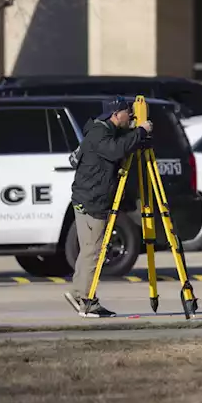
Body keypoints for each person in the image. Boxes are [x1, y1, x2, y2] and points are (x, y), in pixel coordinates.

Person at [64, 96, 153, 318]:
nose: (131, 117)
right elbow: (115, 150)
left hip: (86, 198)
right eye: (127, 113)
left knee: (88, 250)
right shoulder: (100, 135)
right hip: (93, 201)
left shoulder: (101, 130)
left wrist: (136, 133)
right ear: (115, 114)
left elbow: (119, 144)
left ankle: (78, 293)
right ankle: (86, 300)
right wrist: (140, 132)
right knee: (94, 251)